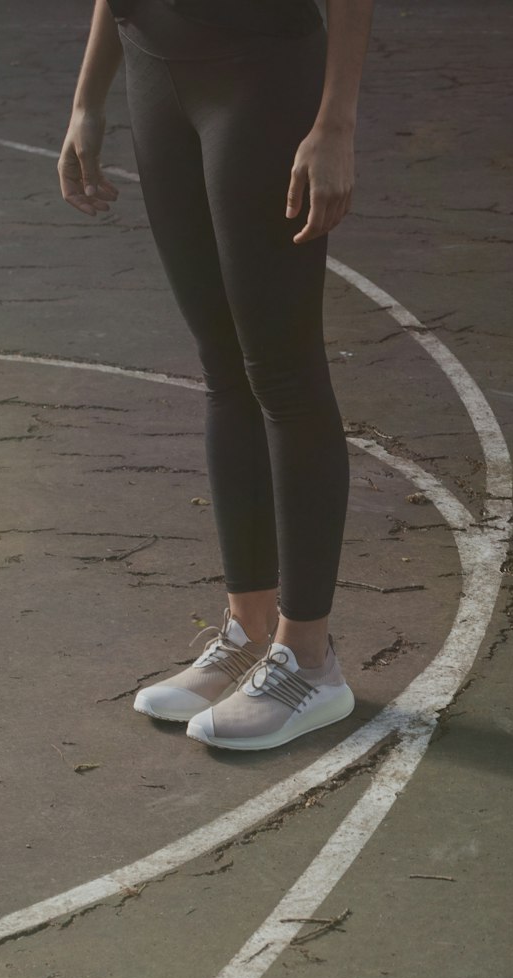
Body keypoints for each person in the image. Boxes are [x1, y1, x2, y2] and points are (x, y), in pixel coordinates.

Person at [59, 0, 374, 751]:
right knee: (223, 368)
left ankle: (309, 663)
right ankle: (250, 626)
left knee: (285, 373)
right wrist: (86, 100)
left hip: (259, 72)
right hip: (154, 66)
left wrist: (334, 124)